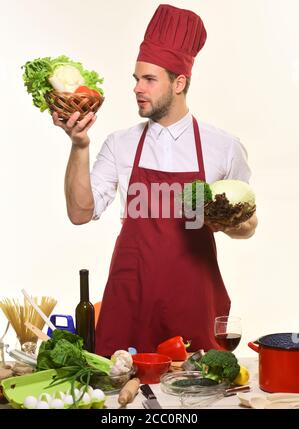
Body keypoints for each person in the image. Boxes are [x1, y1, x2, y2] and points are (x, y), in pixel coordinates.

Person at [53, 4, 258, 355]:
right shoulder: (121, 143)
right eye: (136, 79)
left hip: (193, 304)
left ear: (179, 82)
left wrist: (222, 221)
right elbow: (79, 213)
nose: (137, 88)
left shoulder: (222, 147)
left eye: (149, 79)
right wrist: (79, 145)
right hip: (132, 301)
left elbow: (249, 225)